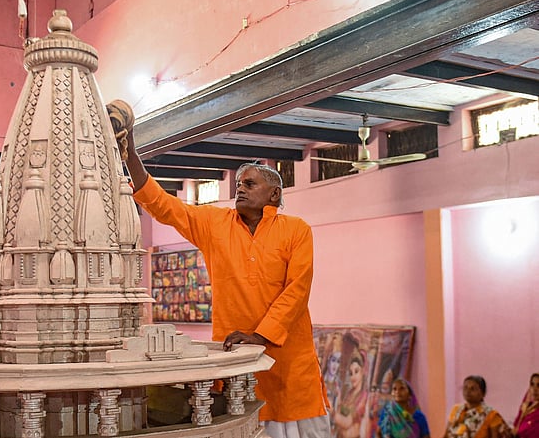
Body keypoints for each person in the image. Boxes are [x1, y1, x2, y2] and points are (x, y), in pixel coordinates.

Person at [115, 102, 329, 438]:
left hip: (290, 364)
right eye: (238, 184)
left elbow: (297, 289)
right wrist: (130, 155)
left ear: (274, 193)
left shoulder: (296, 229)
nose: (239, 188)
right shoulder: (215, 223)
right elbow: (162, 204)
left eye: (250, 183)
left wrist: (260, 335)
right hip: (237, 361)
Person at [445, 375, 509, 438]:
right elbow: (446, 435)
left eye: (473, 389)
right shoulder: (456, 409)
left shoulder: (491, 415)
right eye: (465, 388)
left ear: (483, 393)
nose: (468, 391)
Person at [334, 348, 369, 438]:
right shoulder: (349, 393)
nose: (353, 377)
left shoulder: (363, 397)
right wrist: (338, 398)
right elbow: (340, 411)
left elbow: (347, 423)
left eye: (356, 371)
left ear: (362, 372)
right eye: (351, 373)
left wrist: (331, 412)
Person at [513, 373, 539, 438]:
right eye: (532, 384)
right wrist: (523, 414)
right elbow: (515, 429)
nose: (535, 389)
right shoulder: (526, 406)